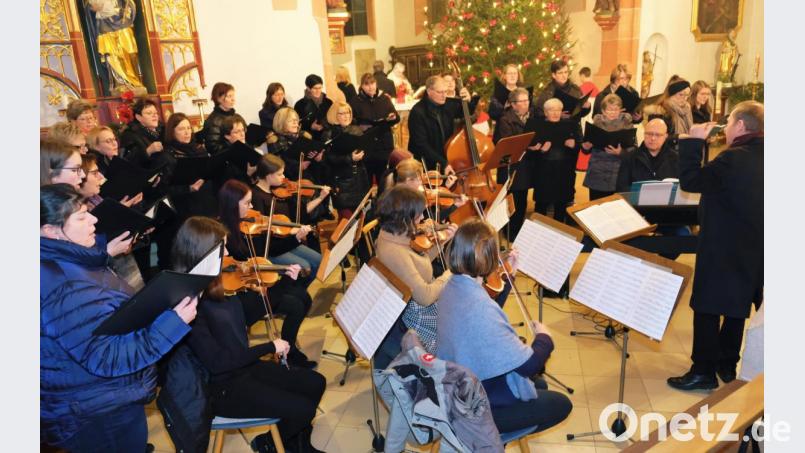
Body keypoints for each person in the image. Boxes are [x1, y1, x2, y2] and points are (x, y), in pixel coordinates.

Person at [40, 183, 195, 452]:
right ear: (50, 231)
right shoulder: (66, 285)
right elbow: (106, 357)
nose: (94, 220)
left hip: (95, 400)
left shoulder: (70, 261)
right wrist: (173, 324)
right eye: (81, 217)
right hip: (97, 411)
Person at [173, 216, 326, 453]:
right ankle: (271, 445)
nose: (228, 255)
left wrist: (285, 281)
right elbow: (218, 363)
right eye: (222, 249)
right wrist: (269, 347)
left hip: (244, 368)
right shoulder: (187, 305)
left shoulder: (216, 285)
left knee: (316, 383)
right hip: (223, 388)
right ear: (202, 254)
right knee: (303, 408)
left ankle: (291, 444)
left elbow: (250, 314)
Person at [436, 219, 572, 435]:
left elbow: (484, 316)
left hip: (458, 387)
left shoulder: (452, 285)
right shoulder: (481, 308)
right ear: (489, 259)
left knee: (539, 386)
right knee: (561, 404)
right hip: (476, 406)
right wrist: (544, 338)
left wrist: (510, 276)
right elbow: (530, 366)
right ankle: (492, 440)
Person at [667, 101, 763, 391]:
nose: (727, 127)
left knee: (707, 306)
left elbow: (691, 181)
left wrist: (693, 140)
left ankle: (703, 371)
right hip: (755, 247)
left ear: (741, 125)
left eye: (730, 121)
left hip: (722, 245)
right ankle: (727, 363)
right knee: (737, 305)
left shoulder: (732, 158)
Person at [217, 179, 320, 369]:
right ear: (232, 205)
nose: (252, 207)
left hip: (258, 281)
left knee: (304, 297)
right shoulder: (223, 233)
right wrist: (255, 283)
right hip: (244, 290)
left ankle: (288, 346)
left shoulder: (247, 225)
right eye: (247, 203)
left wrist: (295, 238)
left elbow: (268, 250)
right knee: (296, 305)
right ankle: (289, 353)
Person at [373, 185, 457, 368]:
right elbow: (425, 296)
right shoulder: (395, 252)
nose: (422, 218)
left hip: (413, 303)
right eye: (418, 214)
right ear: (405, 217)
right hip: (413, 316)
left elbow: (419, 263)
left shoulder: (392, 233)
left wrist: (442, 241)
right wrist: (450, 273)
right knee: (462, 320)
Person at [78, 153, 146, 290]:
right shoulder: (73, 211)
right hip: (102, 274)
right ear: (80, 178)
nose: (101, 177)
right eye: (95, 173)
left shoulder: (96, 199)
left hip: (121, 261)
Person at [249, 156, 326, 276]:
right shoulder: (255, 196)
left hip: (288, 242)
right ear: (269, 176)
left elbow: (301, 213)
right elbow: (261, 233)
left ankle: (304, 287)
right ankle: (298, 286)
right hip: (271, 248)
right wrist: (291, 233)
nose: (284, 177)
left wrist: (320, 198)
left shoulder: (280, 192)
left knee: (319, 260)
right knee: (304, 267)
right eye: (280, 174)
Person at [494, 87, 538, 240]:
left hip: (526, 166)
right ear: (513, 104)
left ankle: (518, 231)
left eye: (527, 100)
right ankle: (509, 233)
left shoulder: (532, 116)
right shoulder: (505, 120)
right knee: (511, 201)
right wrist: (528, 146)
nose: (526, 104)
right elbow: (507, 143)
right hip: (511, 168)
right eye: (522, 101)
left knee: (522, 201)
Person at [407, 75, 475, 173]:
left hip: (446, 157)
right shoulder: (417, 112)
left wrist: (469, 100)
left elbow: (466, 112)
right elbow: (421, 145)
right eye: (440, 92)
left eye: (445, 92)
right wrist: (443, 163)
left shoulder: (447, 104)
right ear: (429, 91)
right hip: (426, 162)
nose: (444, 95)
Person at [160, 112, 218, 219]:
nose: (187, 132)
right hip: (186, 208)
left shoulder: (199, 149)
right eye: (181, 129)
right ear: (172, 132)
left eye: (188, 128)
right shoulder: (167, 156)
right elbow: (164, 189)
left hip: (207, 202)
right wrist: (188, 188)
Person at [530, 98, 578, 223]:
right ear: (545, 112)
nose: (556, 113)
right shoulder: (537, 126)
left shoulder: (570, 125)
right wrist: (541, 150)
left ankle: (558, 229)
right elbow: (530, 152)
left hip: (563, 172)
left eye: (558, 110)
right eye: (551, 110)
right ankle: (538, 229)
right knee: (541, 205)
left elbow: (578, 148)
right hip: (544, 172)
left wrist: (573, 145)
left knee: (561, 205)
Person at [348, 73, 400, 186]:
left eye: (372, 83)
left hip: (384, 144)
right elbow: (350, 122)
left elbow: (396, 118)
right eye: (366, 84)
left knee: (383, 180)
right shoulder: (355, 101)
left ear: (376, 84)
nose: (370, 87)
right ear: (362, 86)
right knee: (367, 179)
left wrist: (392, 117)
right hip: (367, 145)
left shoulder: (384, 98)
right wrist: (359, 126)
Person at [581, 93, 635, 200]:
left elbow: (634, 149)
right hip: (597, 171)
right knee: (596, 204)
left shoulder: (627, 124)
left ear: (620, 110)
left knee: (615, 205)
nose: (612, 112)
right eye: (609, 109)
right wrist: (586, 147)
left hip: (617, 172)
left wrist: (621, 152)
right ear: (603, 110)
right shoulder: (596, 124)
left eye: (616, 109)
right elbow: (586, 149)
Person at [322, 101, 370, 219]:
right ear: (334, 115)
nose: (346, 116)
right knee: (346, 219)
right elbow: (328, 159)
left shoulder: (356, 130)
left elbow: (366, 151)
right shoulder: (329, 133)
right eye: (342, 113)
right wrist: (350, 158)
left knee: (362, 216)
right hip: (342, 181)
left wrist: (365, 153)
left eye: (348, 112)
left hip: (360, 177)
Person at [616, 118, 678, 190]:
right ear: (644, 134)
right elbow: (621, 189)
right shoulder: (629, 158)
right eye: (649, 134)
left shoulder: (676, 158)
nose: (653, 138)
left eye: (658, 135)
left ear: (665, 136)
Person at [644, 75, 693, 141]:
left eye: (687, 95)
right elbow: (655, 137)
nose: (685, 98)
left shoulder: (686, 110)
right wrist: (677, 137)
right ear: (671, 94)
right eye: (681, 94)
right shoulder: (659, 112)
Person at [119, 97, 164, 168]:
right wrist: (148, 151)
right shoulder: (130, 135)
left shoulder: (163, 129)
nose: (155, 115)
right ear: (139, 117)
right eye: (149, 113)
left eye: (156, 113)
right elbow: (126, 162)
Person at [201, 82, 237, 156]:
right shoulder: (213, 121)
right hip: (225, 159)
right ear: (218, 99)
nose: (233, 99)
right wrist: (233, 145)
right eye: (229, 96)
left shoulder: (235, 116)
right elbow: (213, 148)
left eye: (233, 96)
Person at [294, 74, 333, 141]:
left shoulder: (328, 102)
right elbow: (297, 125)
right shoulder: (299, 105)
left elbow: (333, 120)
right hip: (309, 140)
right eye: (315, 88)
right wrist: (310, 126)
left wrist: (325, 125)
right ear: (308, 88)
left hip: (327, 138)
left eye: (320, 88)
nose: (318, 91)